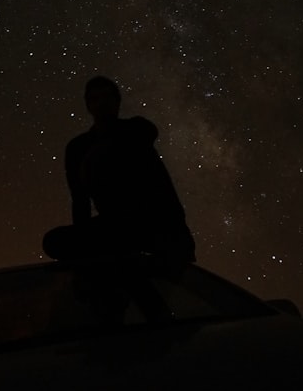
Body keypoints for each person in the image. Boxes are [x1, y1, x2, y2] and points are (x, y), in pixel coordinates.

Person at [43, 76, 196, 263]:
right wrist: (82, 242)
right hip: (115, 226)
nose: (102, 104)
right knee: (54, 241)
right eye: (95, 99)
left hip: (156, 223)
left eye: (107, 97)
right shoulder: (78, 148)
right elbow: (80, 200)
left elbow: (148, 131)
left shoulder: (136, 129)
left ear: (117, 101)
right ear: (88, 105)